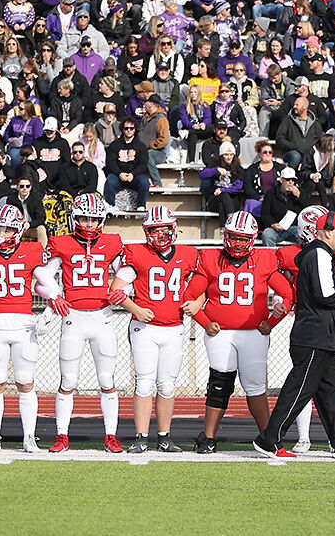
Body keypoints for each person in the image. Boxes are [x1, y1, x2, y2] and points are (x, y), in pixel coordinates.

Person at [254, 208, 335, 458]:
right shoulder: (319, 254)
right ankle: (269, 440)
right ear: (327, 232)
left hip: (323, 336)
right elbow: (326, 296)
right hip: (314, 337)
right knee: (299, 391)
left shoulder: (319, 254)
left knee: (334, 389)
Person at [193, 211, 294, 454]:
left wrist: (272, 321)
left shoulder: (265, 259)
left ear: (252, 238)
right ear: (225, 235)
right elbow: (190, 298)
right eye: (234, 237)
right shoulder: (210, 258)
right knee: (219, 384)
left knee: (255, 386)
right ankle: (208, 438)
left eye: (242, 238)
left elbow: (289, 295)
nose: (237, 243)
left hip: (253, 334)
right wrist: (204, 321)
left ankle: (268, 438)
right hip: (220, 334)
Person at [113, 206, 204, 452]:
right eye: (154, 230)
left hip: (174, 327)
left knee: (167, 385)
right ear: (146, 232)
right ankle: (141, 438)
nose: (160, 235)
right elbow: (117, 290)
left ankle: (164, 437)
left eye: (164, 229)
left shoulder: (188, 254)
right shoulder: (136, 253)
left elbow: (203, 283)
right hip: (145, 328)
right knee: (143, 383)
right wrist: (136, 309)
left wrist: (197, 302)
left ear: (174, 229)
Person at [41, 193, 126, 453]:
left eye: (94, 219)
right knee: (68, 380)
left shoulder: (111, 243)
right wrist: (54, 296)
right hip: (73, 317)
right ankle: (62, 435)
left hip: (102, 317)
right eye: (84, 218)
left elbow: (126, 272)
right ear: (74, 218)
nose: (89, 224)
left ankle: (110, 435)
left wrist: (124, 289)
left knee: (106, 378)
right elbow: (42, 276)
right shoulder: (62, 242)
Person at [0, 204, 53, 453]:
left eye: (6, 229)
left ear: (17, 230)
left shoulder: (32, 250)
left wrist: (48, 310)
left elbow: (50, 285)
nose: (0, 233)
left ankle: (29, 437)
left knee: (25, 382)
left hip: (24, 323)